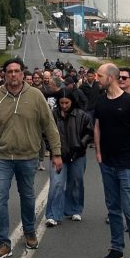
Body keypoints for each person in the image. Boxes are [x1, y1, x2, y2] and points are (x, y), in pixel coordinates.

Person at [0, 57, 62, 258]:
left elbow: (49, 125)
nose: (13, 74)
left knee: (27, 197)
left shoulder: (36, 96)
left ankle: (29, 231)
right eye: (9, 71)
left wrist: (56, 153)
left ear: (22, 73)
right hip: (1, 158)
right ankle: (3, 243)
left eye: (16, 71)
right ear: (4, 74)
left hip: (28, 157)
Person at [94, 63, 130, 258]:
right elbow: (97, 127)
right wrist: (98, 153)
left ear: (111, 77)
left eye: (100, 76)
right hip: (107, 164)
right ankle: (116, 248)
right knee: (113, 209)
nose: (97, 78)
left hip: (127, 165)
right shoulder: (100, 101)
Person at [45, 88, 93, 226]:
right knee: (56, 183)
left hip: (77, 155)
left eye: (67, 103)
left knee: (76, 182)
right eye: (61, 103)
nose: (64, 105)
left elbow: (89, 132)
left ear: (72, 101)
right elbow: (46, 133)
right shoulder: (53, 115)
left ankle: (74, 209)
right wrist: (52, 150)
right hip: (58, 155)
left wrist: (81, 144)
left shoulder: (81, 115)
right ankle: (53, 215)